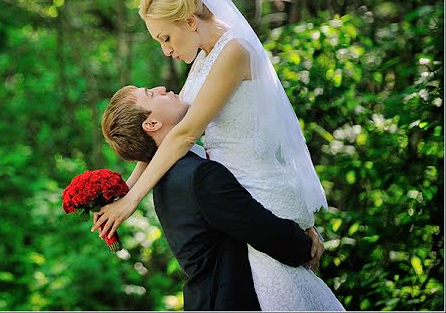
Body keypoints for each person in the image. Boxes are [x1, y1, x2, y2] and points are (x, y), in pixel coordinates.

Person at [93, 0, 341, 310]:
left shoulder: (234, 51)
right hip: (237, 191)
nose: (166, 50)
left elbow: (183, 134)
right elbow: (160, 139)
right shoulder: (202, 60)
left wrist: (132, 202)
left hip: (260, 189)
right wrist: (124, 192)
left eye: (166, 38)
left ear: (190, 21)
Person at [101, 85, 337, 311]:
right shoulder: (199, 176)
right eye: (151, 94)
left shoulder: (164, 181)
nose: (162, 89)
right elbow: (264, 230)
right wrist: (306, 244)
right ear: (152, 123)